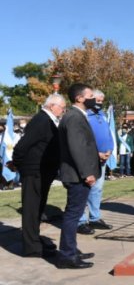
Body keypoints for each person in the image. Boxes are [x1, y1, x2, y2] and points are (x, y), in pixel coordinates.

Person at [11, 94, 65, 258]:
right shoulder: (41, 120)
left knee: (38, 209)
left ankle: (35, 240)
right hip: (34, 171)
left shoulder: (48, 120)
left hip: (43, 171)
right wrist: (20, 165)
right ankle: (31, 247)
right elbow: (22, 146)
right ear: (51, 106)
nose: (63, 111)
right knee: (31, 209)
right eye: (61, 108)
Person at [56, 83, 99, 269]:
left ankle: (72, 251)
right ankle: (67, 256)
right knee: (73, 215)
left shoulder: (77, 115)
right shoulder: (74, 117)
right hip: (77, 175)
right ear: (79, 98)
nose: (94, 98)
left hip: (78, 174)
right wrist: (87, 173)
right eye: (90, 95)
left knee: (74, 214)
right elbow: (77, 148)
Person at [77, 90, 114, 235]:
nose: (99, 103)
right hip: (90, 158)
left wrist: (109, 150)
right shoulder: (85, 116)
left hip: (104, 158)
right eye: (97, 100)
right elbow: (83, 140)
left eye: (101, 101)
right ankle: (80, 221)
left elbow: (108, 134)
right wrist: (96, 153)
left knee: (97, 189)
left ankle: (94, 218)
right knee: (84, 189)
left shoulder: (102, 115)